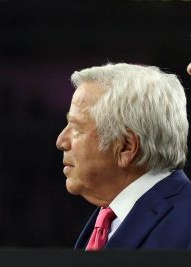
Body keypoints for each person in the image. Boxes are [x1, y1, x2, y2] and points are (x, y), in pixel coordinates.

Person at [56, 63, 191, 250]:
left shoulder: (185, 222)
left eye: (77, 128)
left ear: (126, 147)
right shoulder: (108, 216)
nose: (61, 141)